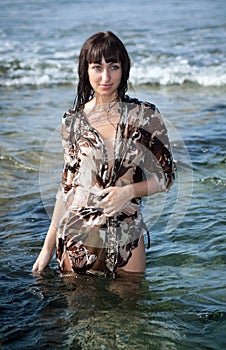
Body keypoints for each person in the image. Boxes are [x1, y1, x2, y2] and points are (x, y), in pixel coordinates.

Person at [32, 31, 174, 278]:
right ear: (86, 71)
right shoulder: (72, 121)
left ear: (124, 69)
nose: (106, 77)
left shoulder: (145, 116)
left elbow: (166, 178)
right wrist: (46, 249)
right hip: (78, 242)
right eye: (97, 67)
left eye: (114, 66)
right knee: (80, 315)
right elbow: (67, 189)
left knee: (132, 313)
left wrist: (128, 192)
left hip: (127, 240)